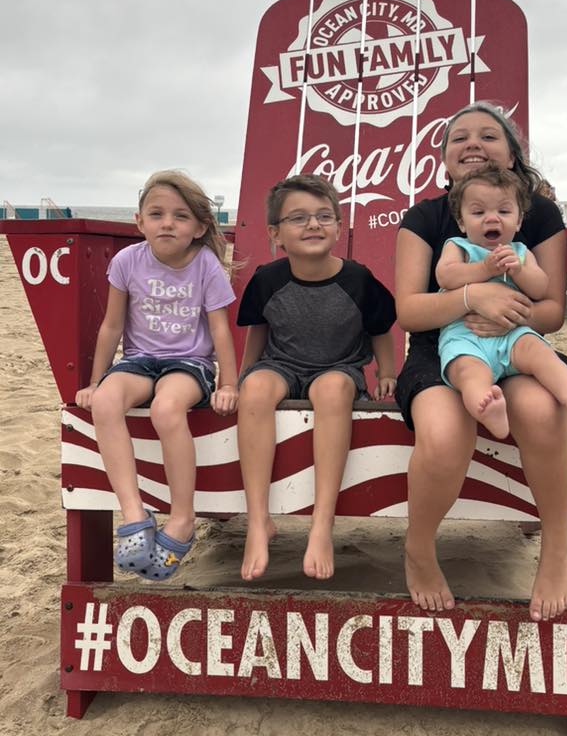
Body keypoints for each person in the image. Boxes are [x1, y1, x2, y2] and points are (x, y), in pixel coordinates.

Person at [395, 102, 567, 621]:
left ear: (513, 156)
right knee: (446, 429)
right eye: (459, 138)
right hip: (443, 347)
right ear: (445, 162)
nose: (473, 143)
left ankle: (556, 548)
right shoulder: (428, 219)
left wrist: (507, 313)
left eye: (489, 136)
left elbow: (551, 311)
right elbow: (410, 310)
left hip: (518, 341)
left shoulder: (538, 215)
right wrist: (475, 300)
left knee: (542, 411)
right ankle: (419, 547)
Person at [75, 170, 239, 580]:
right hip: (139, 360)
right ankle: (133, 513)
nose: (167, 223)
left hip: (190, 364)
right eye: (157, 213)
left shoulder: (205, 265)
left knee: (167, 409)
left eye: (181, 216)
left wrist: (229, 383)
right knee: (107, 401)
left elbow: (220, 329)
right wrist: (96, 382)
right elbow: (111, 325)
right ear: (139, 221)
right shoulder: (127, 260)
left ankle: (182, 517)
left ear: (200, 227)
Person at [236, 174, 396, 582]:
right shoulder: (267, 279)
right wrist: (241, 377)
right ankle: (258, 521)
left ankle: (321, 525)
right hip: (282, 365)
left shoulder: (358, 278)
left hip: (338, 366)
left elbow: (380, 328)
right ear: (275, 233)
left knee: (334, 390)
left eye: (325, 216)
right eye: (298, 218)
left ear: (339, 228)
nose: (313, 225)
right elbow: (258, 329)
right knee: (255, 388)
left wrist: (386, 372)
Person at [436, 165, 567, 440]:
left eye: (503, 211)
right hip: (466, 334)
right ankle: (487, 406)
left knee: (540, 353)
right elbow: (445, 275)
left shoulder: (520, 252)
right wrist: (484, 269)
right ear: (462, 221)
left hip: (513, 334)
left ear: (519, 220)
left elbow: (541, 286)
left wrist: (520, 270)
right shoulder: (458, 246)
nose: (492, 219)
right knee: (467, 372)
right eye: (478, 212)